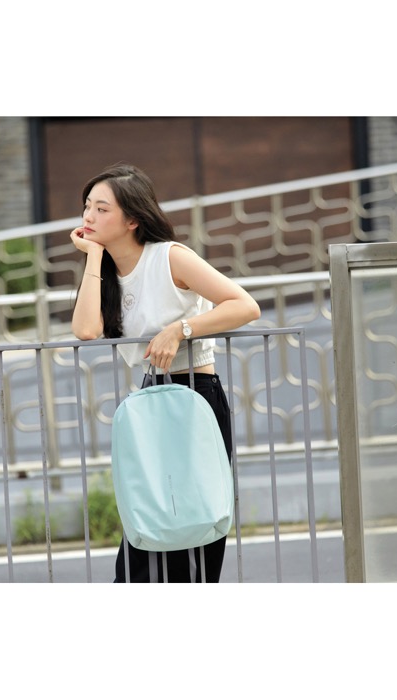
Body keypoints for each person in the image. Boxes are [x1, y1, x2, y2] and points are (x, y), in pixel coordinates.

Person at [70, 163, 261, 582]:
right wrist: (94, 256)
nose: (88, 216)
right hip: (150, 398)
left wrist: (180, 329)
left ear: (132, 219)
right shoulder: (105, 272)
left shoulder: (170, 257)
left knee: (194, 520)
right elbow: (85, 330)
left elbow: (245, 306)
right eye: (87, 206)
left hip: (196, 396)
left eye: (102, 209)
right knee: (148, 523)